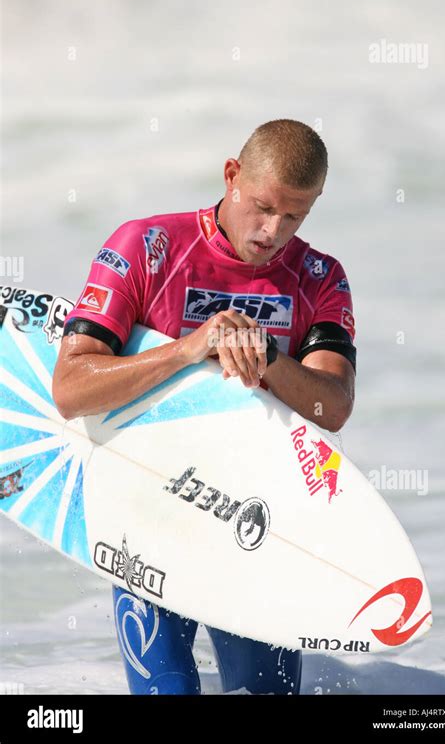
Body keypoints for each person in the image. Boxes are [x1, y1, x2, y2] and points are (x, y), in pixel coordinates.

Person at [52, 118, 357, 695]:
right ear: (232, 175)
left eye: (294, 216)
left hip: (257, 529)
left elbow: (332, 407)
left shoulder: (320, 279)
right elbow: (70, 387)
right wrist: (190, 349)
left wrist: (267, 355)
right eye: (263, 207)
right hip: (149, 521)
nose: (272, 231)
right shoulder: (146, 247)